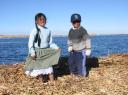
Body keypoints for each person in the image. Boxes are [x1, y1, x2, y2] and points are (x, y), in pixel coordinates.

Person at [25, 13, 61, 82]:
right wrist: (32, 52)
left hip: (46, 51)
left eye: (44, 19)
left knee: (49, 69)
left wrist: (57, 47)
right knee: (39, 70)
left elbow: (50, 43)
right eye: (40, 19)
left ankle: (52, 82)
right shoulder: (34, 30)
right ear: (36, 21)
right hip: (38, 52)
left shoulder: (48, 30)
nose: (42, 20)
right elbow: (30, 43)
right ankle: (41, 83)